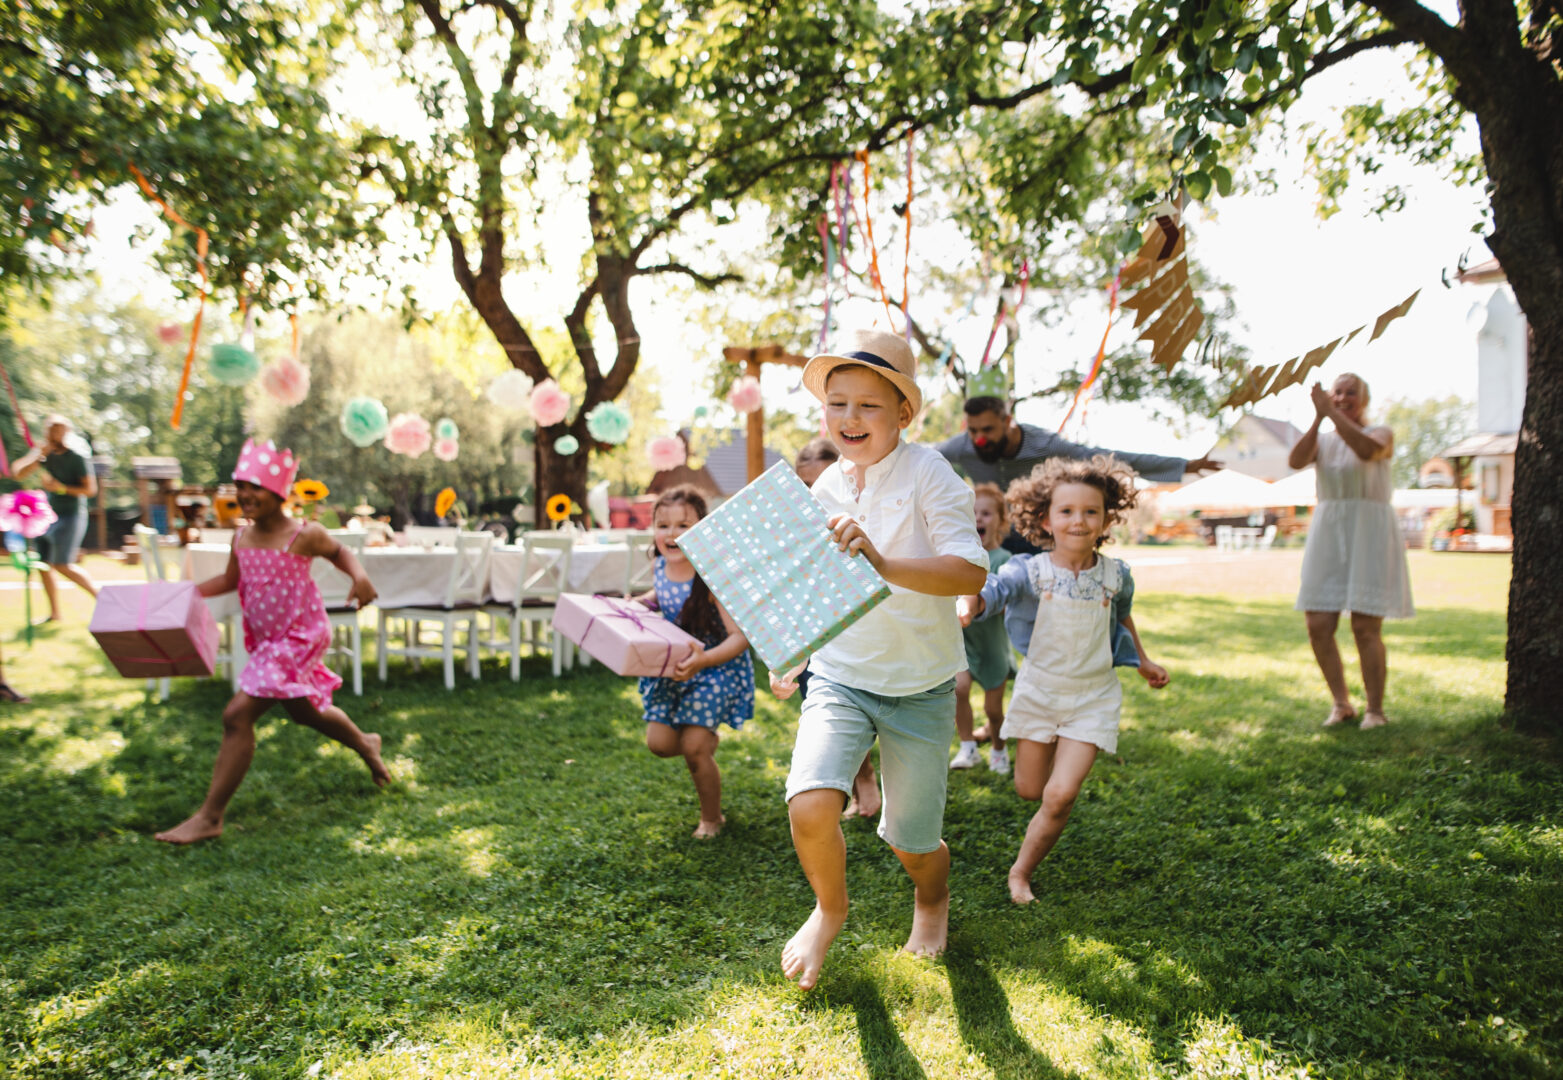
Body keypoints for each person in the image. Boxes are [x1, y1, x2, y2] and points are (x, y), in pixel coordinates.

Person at [771, 328, 989, 989]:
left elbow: (970, 571)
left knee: (910, 841)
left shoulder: (931, 474)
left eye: (868, 405)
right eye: (837, 403)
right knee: (809, 803)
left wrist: (885, 562)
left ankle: (931, 898)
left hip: (919, 685)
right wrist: (791, 652)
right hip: (840, 674)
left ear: (903, 414)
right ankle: (828, 910)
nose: (849, 418)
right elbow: (815, 584)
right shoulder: (824, 486)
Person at [155, 438, 389, 844]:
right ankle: (366, 743)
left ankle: (210, 817)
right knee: (305, 712)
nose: (245, 494)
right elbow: (231, 580)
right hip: (268, 640)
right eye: (240, 485)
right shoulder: (240, 538)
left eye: (255, 486)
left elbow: (340, 553)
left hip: (301, 635)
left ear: (279, 492)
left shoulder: (304, 534)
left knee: (236, 715)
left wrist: (360, 576)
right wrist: (188, 592)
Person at [959, 455, 1169, 903]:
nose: (1079, 520)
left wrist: (1143, 662)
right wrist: (971, 602)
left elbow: (1122, 619)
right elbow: (994, 592)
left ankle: (1021, 873)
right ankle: (1053, 755)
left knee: (1058, 796)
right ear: (1045, 518)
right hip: (1039, 693)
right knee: (1029, 790)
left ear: (1107, 518)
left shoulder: (1117, 576)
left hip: (1093, 697)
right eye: (1067, 511)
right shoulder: (1028, 571)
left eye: (1091, 511)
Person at [934, 396, 1222, 553]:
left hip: (1037, 533)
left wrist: (1184, 466)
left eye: (987, 430)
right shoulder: (962, 446)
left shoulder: (1044, 445)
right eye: (973, 430)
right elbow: (923, 456)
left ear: (1008, 422)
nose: (979, 438)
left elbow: (1105, 457)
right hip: (992, 535)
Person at [1290, 373, 1413, 729]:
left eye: (1351, 393)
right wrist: (1318, 417)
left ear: (1365, 399)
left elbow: (1366, 451)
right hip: (1329, 530)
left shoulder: (1381, 433)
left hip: (1369, 531)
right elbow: (1296, 460)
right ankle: (1341, 703)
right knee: (1317, 624)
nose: (1343, 398)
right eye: (1337, 392)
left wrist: (1332, 413)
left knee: (1365, 626)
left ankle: (1375, 710)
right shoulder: (1324, 438)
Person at [634, 485, 755, 839]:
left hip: (715, 668)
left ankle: (712, 818)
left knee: (692, 748)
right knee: (659, 744)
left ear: (703, 529)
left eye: (684, 525)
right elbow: (662, 595)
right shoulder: (660, 567)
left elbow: (739, 637)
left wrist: (704, 661)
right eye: (663, 525)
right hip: (677, 668)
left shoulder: (713, 576)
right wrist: (638, 604)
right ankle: (703, 741)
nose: (672, 534)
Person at [793, 437, 882, 820]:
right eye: (805, 487)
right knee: (822, 707)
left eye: (819, 485)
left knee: (857, 707)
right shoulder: (792, 529)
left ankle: (869, 779)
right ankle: (860, 776)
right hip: (809, 634)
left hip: (857, 634)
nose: (813, 496)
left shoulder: (856, 520)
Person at [950, 483, 1015, 774]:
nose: (978, 519)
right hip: (963, 643)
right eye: (971, 513)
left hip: (992, 647)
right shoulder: (956, 560)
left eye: (986, 513)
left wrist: (978, 600)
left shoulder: (1005, 561)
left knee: (993, 710)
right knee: (958, 690)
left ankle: (999, 749)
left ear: (1001, 521)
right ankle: (968, 747)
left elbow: (1004, 599)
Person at [12, 415, 100, 621]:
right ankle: (55, 614)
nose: (55, 433)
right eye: (52, 429)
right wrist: (38, 457)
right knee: (43, 565)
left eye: (60, 429)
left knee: (63, 564)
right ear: (46, 431)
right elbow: (17, 473)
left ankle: (103, 599)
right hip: (47, 517)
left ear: (67, 432)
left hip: (72, 515)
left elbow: (90, 490)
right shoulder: (45, 454)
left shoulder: (77, 457)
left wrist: (61, 488)